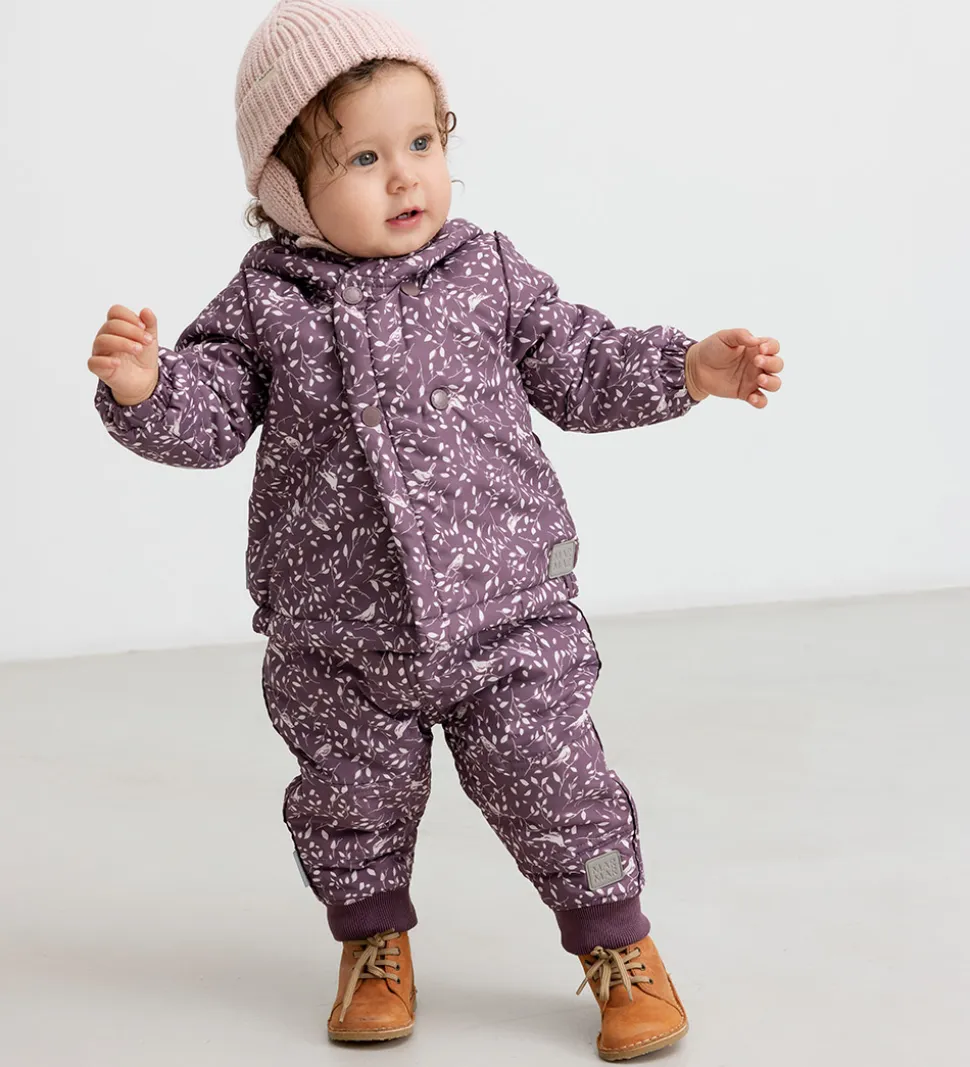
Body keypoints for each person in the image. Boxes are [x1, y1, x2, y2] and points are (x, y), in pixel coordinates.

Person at [88, 1, 783, 1059]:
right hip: (338, 638)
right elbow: (213, 415)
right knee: (349, 800)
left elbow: (578, 362)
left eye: (422, 142)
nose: (406, 177)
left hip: (508, 614)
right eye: (365, 158)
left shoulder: (484, 271)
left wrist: (684, 368)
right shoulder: (266, 303)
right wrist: (146, 388)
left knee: (559, 784)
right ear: (285, 188)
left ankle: (616, 943)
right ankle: (372, 944)